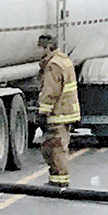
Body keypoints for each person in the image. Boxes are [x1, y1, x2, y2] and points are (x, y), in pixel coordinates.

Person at [35, 32, 80, 189]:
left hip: (58, 114)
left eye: (40, 48)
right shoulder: (63, 60)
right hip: (65, 112)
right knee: (53, 147)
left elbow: (50, 91)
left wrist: (43, 112)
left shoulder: (53, 65)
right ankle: (57, 180)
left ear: (48, 48)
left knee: (56, 149)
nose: (38, 51)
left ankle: (60, 181)